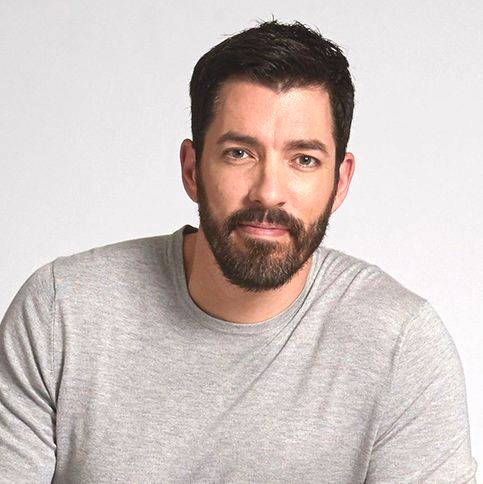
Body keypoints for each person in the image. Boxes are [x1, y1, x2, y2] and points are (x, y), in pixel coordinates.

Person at [0, 20, 477, 483]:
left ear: (340, 181)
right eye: (239, 153)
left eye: (304, 159)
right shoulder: (61, 313)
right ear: (192, 170)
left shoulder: (400, 345)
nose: (269, 192)